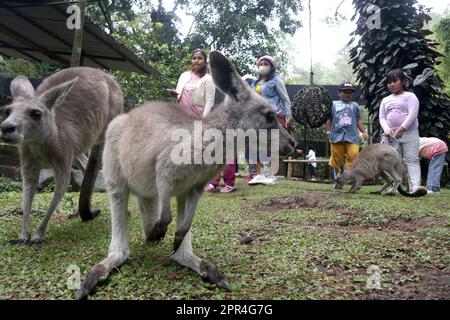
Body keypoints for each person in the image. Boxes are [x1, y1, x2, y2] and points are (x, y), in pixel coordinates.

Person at [173, 49, 237, 193]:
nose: (196, 60)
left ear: (205, 62)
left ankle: (225, 181)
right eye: (194, 58)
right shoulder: (184, 76)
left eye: (199, 58)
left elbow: (209, 101)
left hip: (201, 117)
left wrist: (204, 119)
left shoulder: (208, 79)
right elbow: (179, 93)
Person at [379, 69, 427, 196]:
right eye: (389, 82)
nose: (391, 84)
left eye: (395, 81)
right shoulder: (385, 100)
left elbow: (412, 115)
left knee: (412, 159)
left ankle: (416, 186)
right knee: (395, 161)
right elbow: (382, 117)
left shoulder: (410, 97)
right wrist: (386, 129)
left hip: (409, 133)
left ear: (404, 81)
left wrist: (402, 129)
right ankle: (397, 188)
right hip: (391, 136)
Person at [247, 55, 292, 186]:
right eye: (260, 64)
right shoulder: (256, 82)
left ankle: (269, 174)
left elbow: (285, 99)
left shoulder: (276, 80)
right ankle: (263, 173)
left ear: (271, 66)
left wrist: (288, 116)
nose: (262, 66)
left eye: (265, 63)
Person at [326, 81, 368, 188]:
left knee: (354, 156)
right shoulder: (333, 104)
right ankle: (337, 181)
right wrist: (328, 131)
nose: (348, 94)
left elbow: (358, 120)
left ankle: (351, 179)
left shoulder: (354, 105)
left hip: (352, 136)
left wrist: (364, 131)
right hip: (336, 136)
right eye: (345, 92)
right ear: (339, 93)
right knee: (336, 159)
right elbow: (329, 119)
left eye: (350, 92)